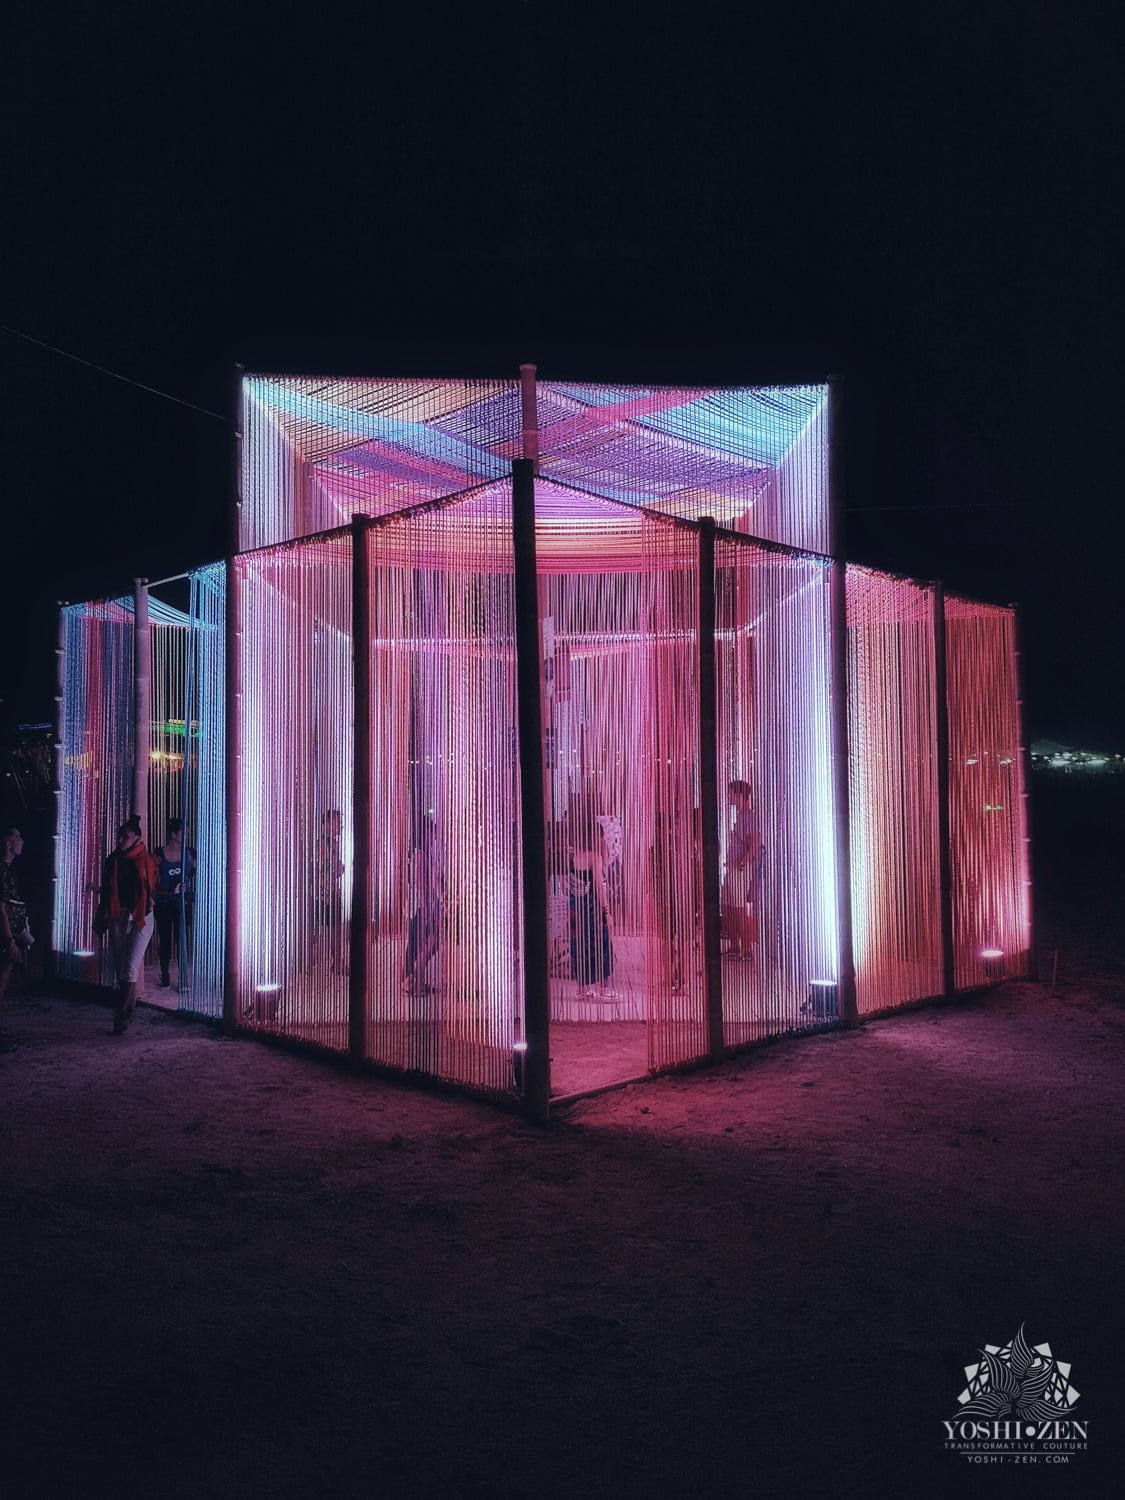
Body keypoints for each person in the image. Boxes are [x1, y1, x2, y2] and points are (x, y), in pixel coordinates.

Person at [96, 815, 159, 1035]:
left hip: (141, 916)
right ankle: (128, 1006)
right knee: (121, 966)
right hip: (119, 915)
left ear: (137, 839)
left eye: (126, 837)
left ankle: (121, 1014)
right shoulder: (113, 860)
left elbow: (152, 886)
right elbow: (108, 888)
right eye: (120, 836)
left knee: (130, 966)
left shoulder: (145, 860)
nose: (121, 840)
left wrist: (151, 897)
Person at [567, 802, 616, 998]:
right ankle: (605, 989)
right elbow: (598, 886)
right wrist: (606, 912)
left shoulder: (574, 857)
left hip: (575, 910)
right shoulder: (594, 858)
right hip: (592, 911)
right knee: (602, 944)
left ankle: (582, 988)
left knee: (579, 946)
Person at [721, 779, 764, 960]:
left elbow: (755, 843)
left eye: (731, 794)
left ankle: (746, 949)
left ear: (740, 795)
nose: (729, 797)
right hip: (733, 868)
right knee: (728, 906)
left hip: (740, 869)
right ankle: (734, 946)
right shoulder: (739, 817)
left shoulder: (750, 817)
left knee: (738, 908)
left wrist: (742, 863)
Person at [0, 827, 33, 1051]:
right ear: (7, 843)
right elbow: (1, 909)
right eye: (18, 837)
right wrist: (9, 940)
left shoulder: (9, 869)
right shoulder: (2, 871)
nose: (22, 841)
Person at [153, 816, 195, 990]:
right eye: (183, 832)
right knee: (164, 939)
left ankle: (183, 977)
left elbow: (195, 871)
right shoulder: (159, 853)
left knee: (182, 940)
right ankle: (165, 975)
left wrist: (187, 886)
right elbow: (152, 879)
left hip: (182, 903)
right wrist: (168, 890)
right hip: (163, 902)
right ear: (173, 835)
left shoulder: (190, 853)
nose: (187, 835)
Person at [402, 819, 443, 996]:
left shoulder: (424, 854)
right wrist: (427, 908)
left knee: (425, 944)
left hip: (424, 905)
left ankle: (415, 981)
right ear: (425, 833)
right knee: (426, 943)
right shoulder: (419, 855)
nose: (435, 837)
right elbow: (420, 884)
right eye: (433, 833)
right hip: (420, 906)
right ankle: (413, 983)